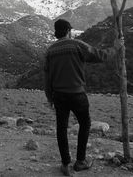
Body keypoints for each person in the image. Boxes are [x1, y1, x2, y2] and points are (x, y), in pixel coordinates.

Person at [44, 19, 123, 176]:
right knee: (85, 123)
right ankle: (80, 161)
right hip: (77, 93)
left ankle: (65, 164)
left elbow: (47, 78)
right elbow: (99, 55)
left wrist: (49, 98)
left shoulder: (50, 51)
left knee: (61, 128)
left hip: (59, 95)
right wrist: (116, 48)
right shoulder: (77, 45)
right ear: (68, 31)